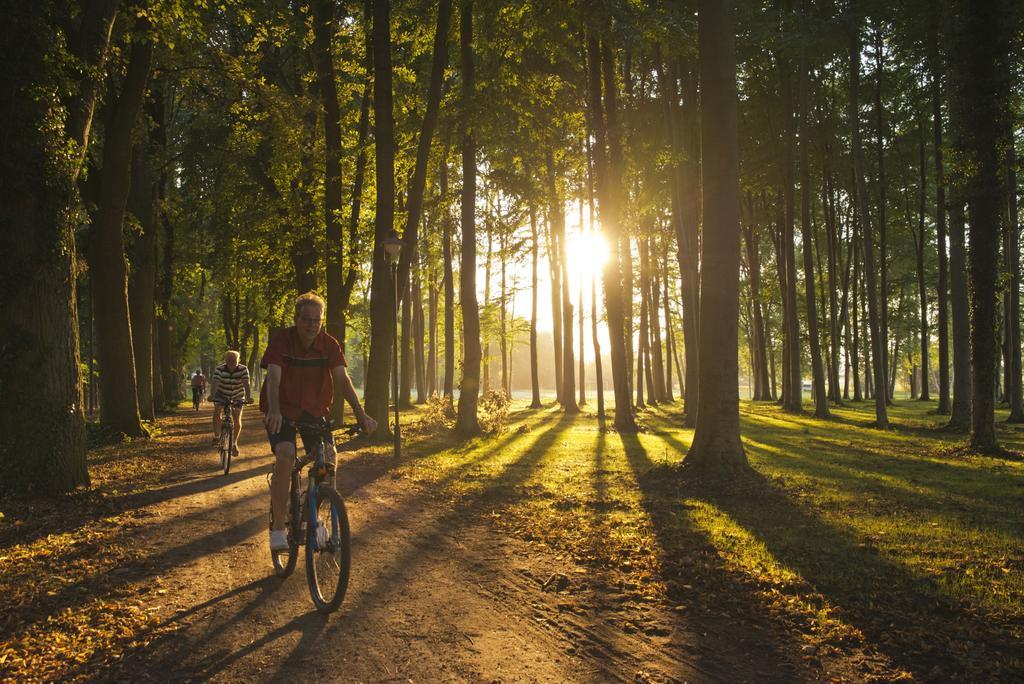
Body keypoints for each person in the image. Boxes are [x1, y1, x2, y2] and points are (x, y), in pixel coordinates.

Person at [261, 292, 377, 553]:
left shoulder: (329, 344)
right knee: (286, 455)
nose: (312, 325)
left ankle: (315, 510)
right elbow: (275, 378)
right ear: (296, 319)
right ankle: (279, 527)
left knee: (327, 458)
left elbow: (342, 379)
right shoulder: (282, 340)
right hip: (282, 408)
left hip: (313, 410)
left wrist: (360, 413)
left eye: (317, 320)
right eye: (307, 319)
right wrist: (276, 410)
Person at [210, 351, 251, 456]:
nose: (231, 362)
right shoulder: (219, 369)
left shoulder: (243, 369)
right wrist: (212, 395)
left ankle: (234, 443)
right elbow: (215, 383)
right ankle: (217, 436)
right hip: (221, 394)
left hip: (238, 395)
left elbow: (246, 384)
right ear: (225, 360)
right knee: (217, 410)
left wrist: (248, 397)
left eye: (234, 360)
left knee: (237, 418)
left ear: (238, 360)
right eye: (229, 360)